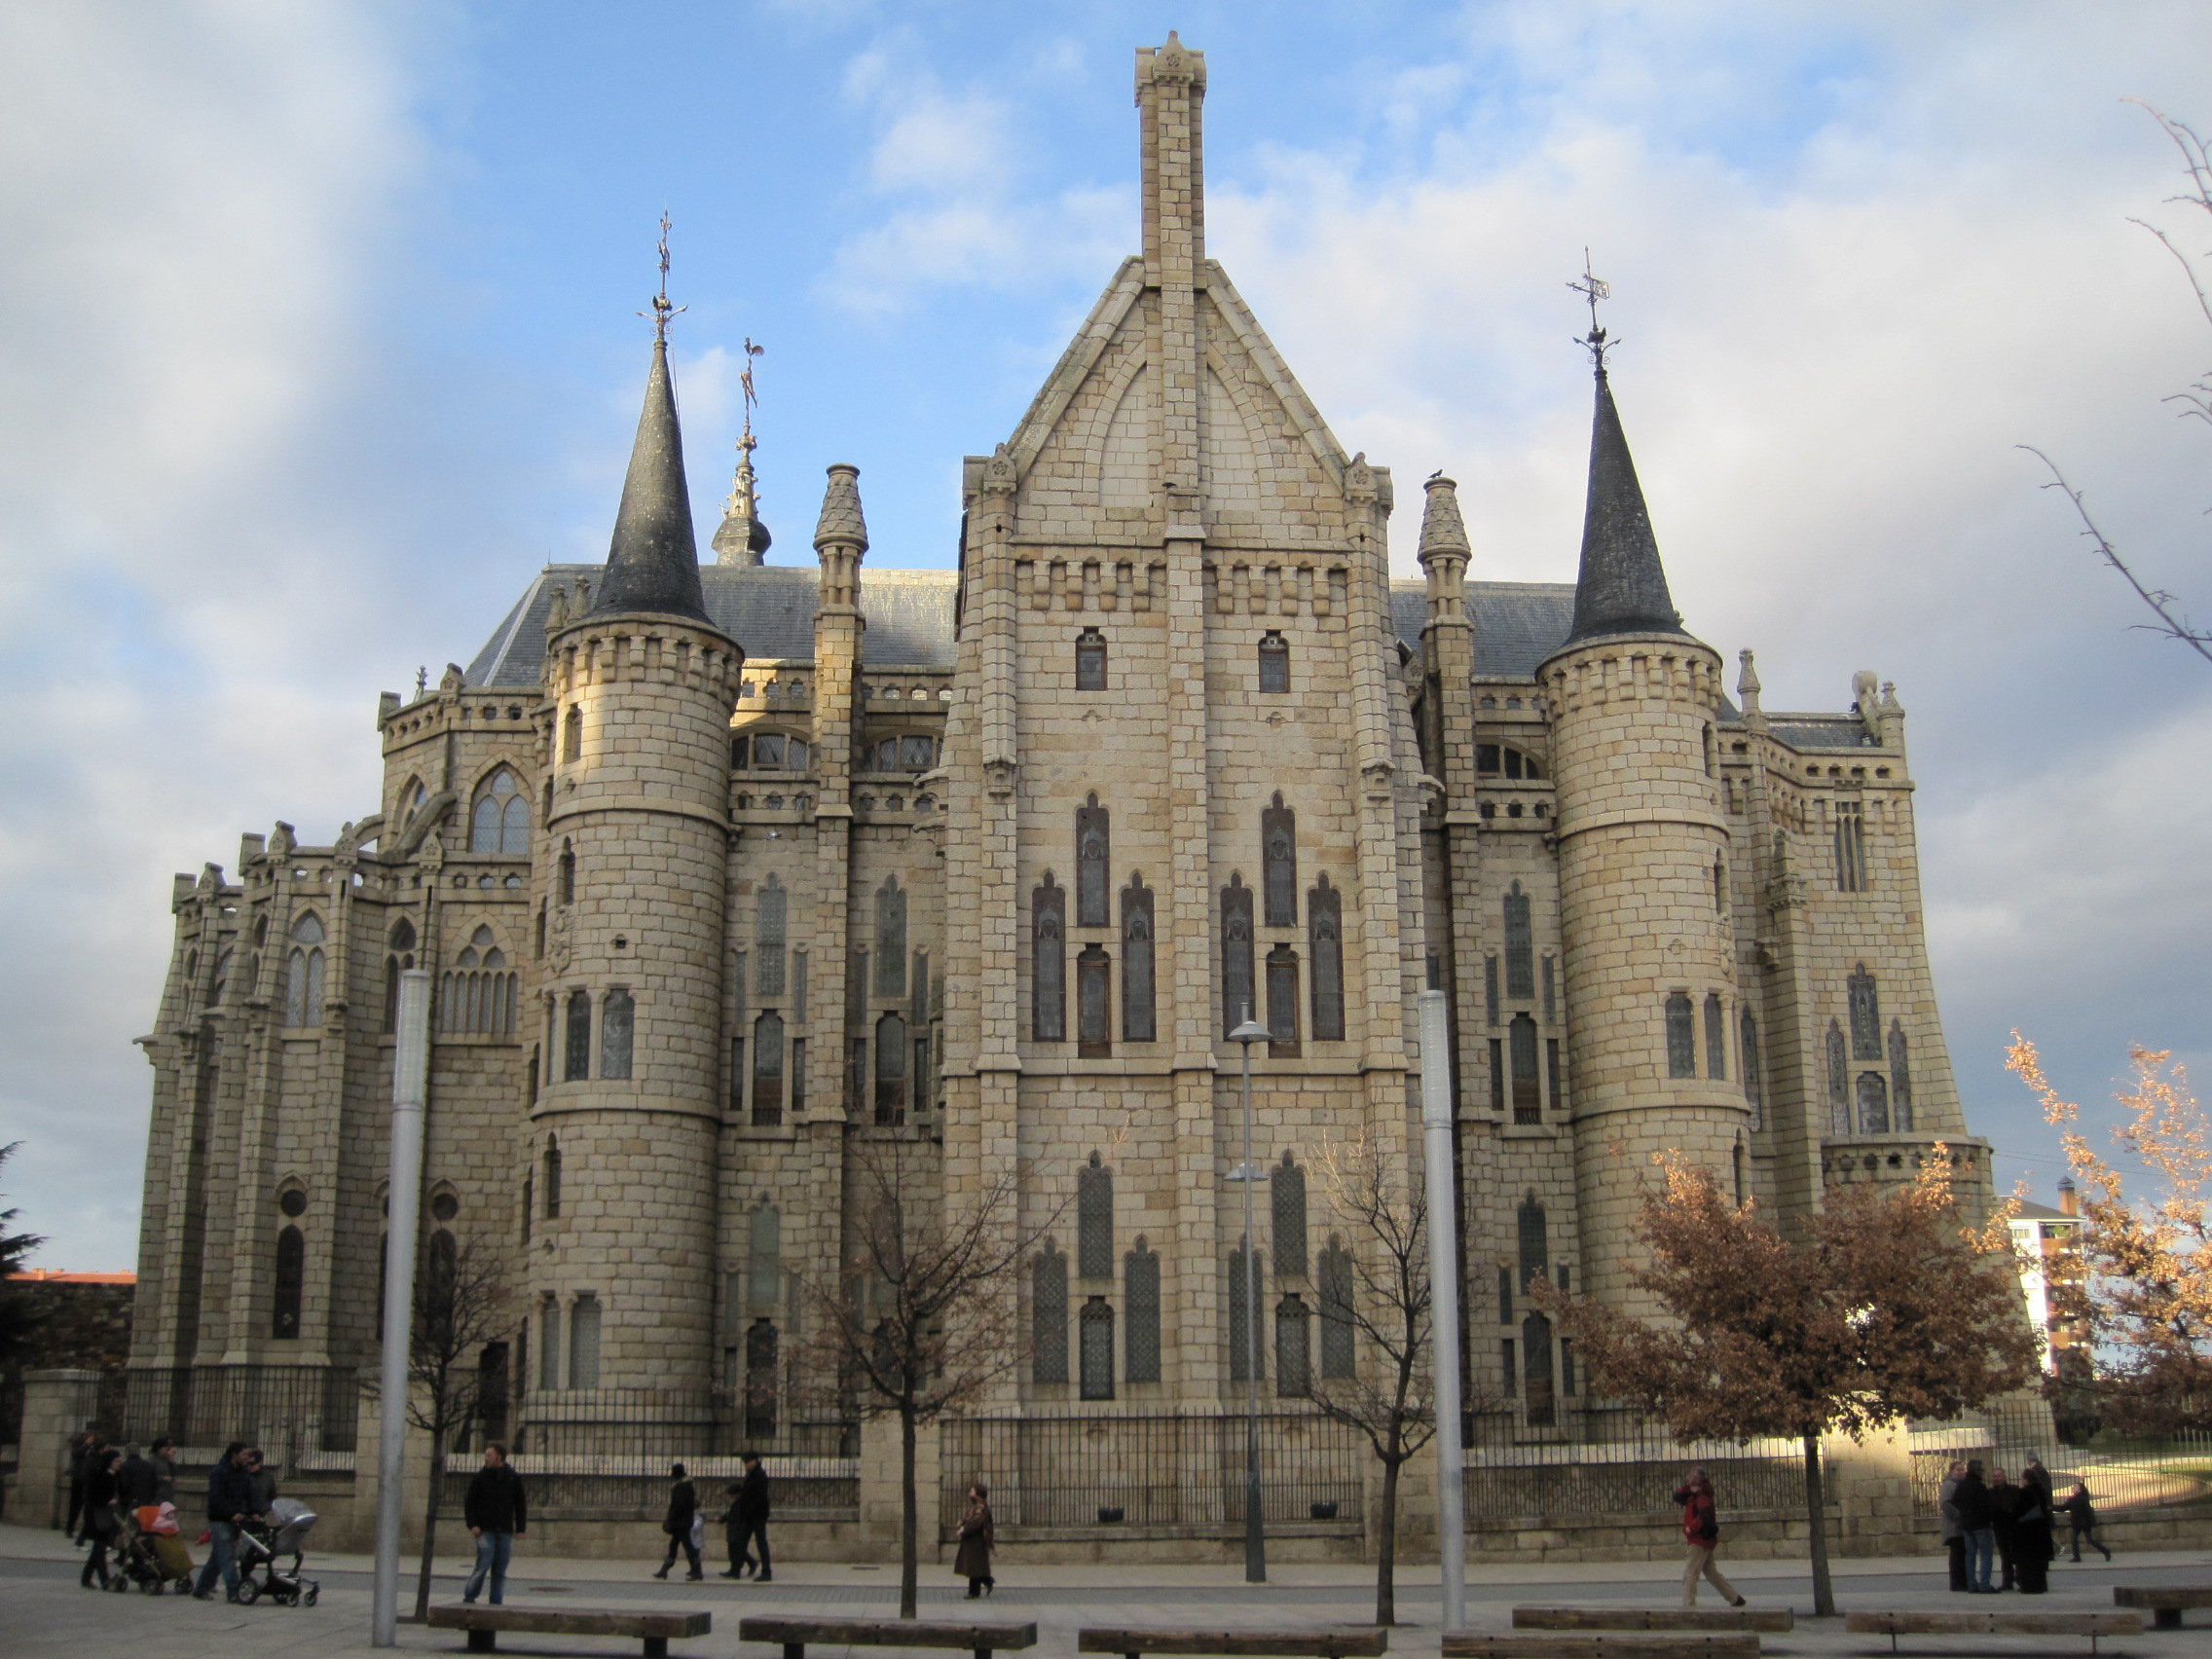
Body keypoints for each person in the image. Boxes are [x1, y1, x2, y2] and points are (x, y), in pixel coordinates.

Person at [193, 1442, 263, 1602]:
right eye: (244, 1454)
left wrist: (255, 1511)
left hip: (233, 1519)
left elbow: (250, 1493)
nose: (247, 1458)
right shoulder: (219, 1472)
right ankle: (234, 1591)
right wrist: (231, 1513)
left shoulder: (243, 1472)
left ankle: (201, 1588)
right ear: (234, 1454)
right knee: (228, 1554)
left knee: (217, 1557)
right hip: (219, 1519)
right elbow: (217, 1498)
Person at [1671, 1467, 1748, 1610]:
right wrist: (1689, 1489)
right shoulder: (1694, 1495)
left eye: (1690, 1477)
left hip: (1699, 1539)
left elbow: (1705, 1516)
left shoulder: (1702, 1497)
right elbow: (1676, 1496)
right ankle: (1735, 1598)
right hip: (1704, 1539)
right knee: (1711, 1573)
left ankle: (1689, 1605)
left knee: (1690, 1573)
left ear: (1696, 1479)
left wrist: (1691, 1528)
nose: (1687, 1479)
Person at [462, 1442, 528, 1605]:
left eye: (489, 1455)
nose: (486, 1458)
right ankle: (470, 1597)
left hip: (504, 1530)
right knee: (483, 1566)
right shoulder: (480, 1478)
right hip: (485, 1530)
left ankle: (496, 1602)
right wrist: (473, 1524)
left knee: (500, 1571)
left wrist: (520, 1528)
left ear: (499, 1457)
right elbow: (470, 1503)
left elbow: (520, 1504)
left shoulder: (512, 1478)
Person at [78, 1447, 123, 1590]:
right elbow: (91, 1495)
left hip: (106, 1516)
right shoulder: (98, 1474)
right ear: (109, 1461)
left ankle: (86, 1578)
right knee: (100, 1549)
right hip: (96, 1515)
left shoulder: (115, 1475)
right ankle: (104, 1579)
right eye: (116, 1461)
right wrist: (106, 1501)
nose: (118, 1463)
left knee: (98, 1549)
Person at [654, 1462, 702, 1581]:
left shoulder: (680, 1487)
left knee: (688, 1546)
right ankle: (664, 1570)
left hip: (681, 1523)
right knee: (674, 1545)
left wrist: (670, 1518)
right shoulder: (688, 1485)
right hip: (685, 1521)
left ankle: (697, 1571)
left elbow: (678, 1505)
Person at [730, 1452, 772, 1582]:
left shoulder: (760, 1475)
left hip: (757, 1515)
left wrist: (749, 1509)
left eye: (747, 1462)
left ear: (754, 1461)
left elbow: (759, 1497)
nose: (745, 1465)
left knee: (761, 1543)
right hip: (748, 1515)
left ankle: (766, 1571)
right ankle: (735, 1569)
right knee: (740, 1542)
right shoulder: (751, 1474)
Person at [2015, 1456, 2055, 1594]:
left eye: (2022, 1479)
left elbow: (2018, 1512)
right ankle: (2041, 1585)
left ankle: (2029, 1586)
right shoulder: (2040, 1491)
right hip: (2041, 1530)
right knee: (2039, 1561)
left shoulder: (2025, 1493)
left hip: (2028, 1531)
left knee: (2028, 1561)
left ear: (2026, 1480)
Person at [1956, 1459, 1996, 1593]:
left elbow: (1955, 1501)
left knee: (1970, 1555)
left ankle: (1972, 1584)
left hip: (1966, 1525)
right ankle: (1984, 1585)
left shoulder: (1961, 1485)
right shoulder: (1979, 1486)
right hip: (1981, 1525)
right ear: (1978, 1471)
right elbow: (1986, 1506)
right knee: (1985, 1555)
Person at [955, 1483, 995, 1599]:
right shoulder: (976, 1506)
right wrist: (962, 1522)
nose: (970, 1494)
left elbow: (976, 1523)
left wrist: (964, 1529)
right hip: (973, 1541)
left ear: (978, 1494)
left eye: (972, 1492)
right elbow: (970, 1518)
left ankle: (974, 1592)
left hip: (976, 1541)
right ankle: (987, 1581)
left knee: (973, 1567)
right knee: (975, 1566)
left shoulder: (980, 1507)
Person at [2060, 1480, 2112, 1563]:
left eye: (2076, 1486)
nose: (2073, 1487)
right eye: (2073, 1486)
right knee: (2075, 1540)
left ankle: (2106, 1551)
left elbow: (2087, 1511)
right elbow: (2063, 1508)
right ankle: (2077, 1557)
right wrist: (2051, 1507)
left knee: (2089, 1540)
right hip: (2077, 1523)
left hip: (2084, 1523)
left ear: (2080, 1490)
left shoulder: (2081, 1498)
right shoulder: (2074, 1499)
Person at [63, 1427, 100, 1544]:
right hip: (78, 1477)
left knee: (89, 1507)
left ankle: (88, 1531)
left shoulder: (97, 1443)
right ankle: (69, 1528)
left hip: (90, 1478)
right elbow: (76, 1454)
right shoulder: (79, 1441)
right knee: (75, 1505)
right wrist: (86, 1444)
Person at [1938, 1460, 1970, 1592]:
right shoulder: (1948, 1485)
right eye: (1958, 1470)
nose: (1961, 1472)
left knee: (1963, 1555)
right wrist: (1959, 1514)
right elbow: (1946, 1504)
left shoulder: (1963, 1485)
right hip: (1954, 1527)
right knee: (1956, 1555)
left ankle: (1963, 1581)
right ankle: (1956, 1582)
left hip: (1962, 1527)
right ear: (1951, 1472)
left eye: (1963, 1470)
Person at [1988, 1467, 2019, 1591]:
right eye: (1994, 1476)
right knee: (2005, 1555)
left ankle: (2021, 1578)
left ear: (2004, 1477)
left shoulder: (2014, 1490)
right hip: (1999, 1527)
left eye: (1998, 1476)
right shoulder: (1990, 1492)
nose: (1996, 1478)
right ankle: (2008, 1581)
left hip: (2013, 1526)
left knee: (2017, 1553)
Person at [117, 1443, 161, 1514]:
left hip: (129, 1501)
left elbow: (123, 1485)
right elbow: (155, 1484)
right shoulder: (149, 1466)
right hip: (147, 1500)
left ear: (127, 1452)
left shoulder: (124, 1466)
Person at [243, 1447, 278, 1514]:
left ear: (260, 1462)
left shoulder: (268, 1478)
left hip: (263, 1514)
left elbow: (272, 1497)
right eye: (247, 1464)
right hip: (245, 1515)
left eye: (252, 1463)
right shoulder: (243, 1476)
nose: (249, 1466)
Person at [149, 1437, 180, 1509]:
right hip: (157, 1494)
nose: (168, 1450)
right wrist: (162, 1478)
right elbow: (149, 1476)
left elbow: (175, 1473)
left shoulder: (167, 1459)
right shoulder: (152, 1459)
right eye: (166, 1448)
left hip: (168, 1493)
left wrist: (171, 1461)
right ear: (160, 1449)